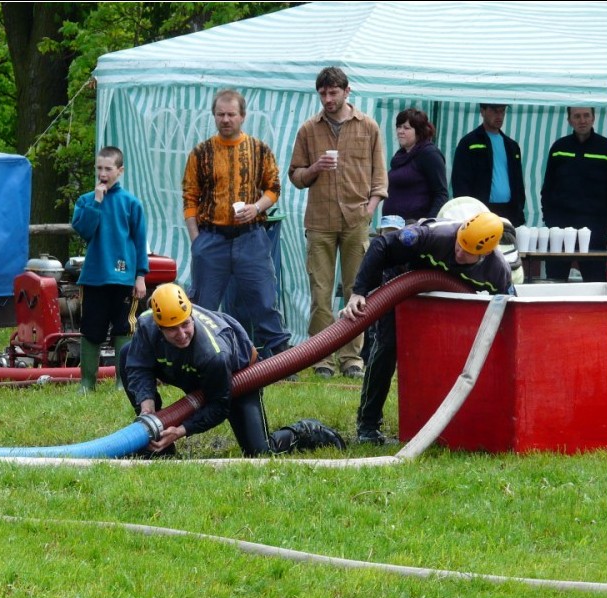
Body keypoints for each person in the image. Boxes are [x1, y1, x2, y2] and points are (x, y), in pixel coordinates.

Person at [342, 212, 513, 445]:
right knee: (387, 346)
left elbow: (510, 307)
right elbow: (381, 245)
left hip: (448, 299)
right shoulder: (433, 235)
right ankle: (368, 424)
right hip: (401, 279)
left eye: (467, 253)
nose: (459, 253)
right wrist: (359, 292)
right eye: (459, 245)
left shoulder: (498, 271)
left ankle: (447, 422)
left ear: (485, 254)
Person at [288, 66, 388, 379]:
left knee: (356, 293)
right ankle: (322, 360)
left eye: (333, 93)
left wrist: (369, 209)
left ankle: (352, 360)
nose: (328, 99)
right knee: (320, 293)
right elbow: (295, 176)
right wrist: (315, 166)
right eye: (322, 93)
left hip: (356, 221)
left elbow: (379, 177)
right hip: (319, 221)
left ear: (347, 91)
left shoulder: (368, 126)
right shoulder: (308, 129)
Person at [181, 89, 292, 360]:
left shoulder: (259, 149)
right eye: (221, 114)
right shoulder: (201, 153)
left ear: (242, 116)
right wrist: (197, 240)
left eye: (231, 114)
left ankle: (281, 360)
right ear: (214, 116)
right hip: (211, 238)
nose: (226, 119)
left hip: (250, 237)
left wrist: (256, 208)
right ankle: (199, 358)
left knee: (264, 300)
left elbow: (274, 188)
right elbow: (189, 197)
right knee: (203, 305)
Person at [119, 283, 271, 457]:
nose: (182, 334)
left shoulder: (214, 353)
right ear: (159, 327)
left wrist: (181, 430)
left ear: (191, 316)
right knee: (127, 354)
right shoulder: (146, 325)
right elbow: (137, 366)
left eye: (185, 324)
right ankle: (157, 441)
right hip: (192, 372)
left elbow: (219, 407)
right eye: (173, 329)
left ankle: (305, 430)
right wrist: (146, 403)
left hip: (237, 379)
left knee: (259, 452)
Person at [70, 146, 149, 393]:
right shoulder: (85, 201)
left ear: (120, 170)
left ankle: (121, 381)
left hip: (124, 278)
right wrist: (96, 202)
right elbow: (84, 231)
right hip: (94, 277)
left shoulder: (131, 204)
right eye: (99, 168)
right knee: (91, 328)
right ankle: (87, 382)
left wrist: (140, 276)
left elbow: (139, 241)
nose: (102, 173)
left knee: (124, 327)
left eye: (108, 168)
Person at [540, 106, 607, 283]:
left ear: (594, 118)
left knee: (595, 283)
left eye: (586, 115)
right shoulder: (559, 147)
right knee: (555, 281)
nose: (582, 120)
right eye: (577, 116)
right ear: (569, 120)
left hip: (595, 230)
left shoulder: (606, 148)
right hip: (560, 228)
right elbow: (547, 187)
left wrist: (606, 223)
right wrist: (550, 220)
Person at [451, 104, 526, 226]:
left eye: (502, 111)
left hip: (509, 212)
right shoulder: (469, 143)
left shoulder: (512, 146)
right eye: (495, 111)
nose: (499, 115)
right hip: (480, 212)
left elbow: (519, 184)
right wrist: (466, 212)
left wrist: (519, 211)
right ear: (482, 111)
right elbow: (460, 182)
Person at [382, 108, 448, 223]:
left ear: (419, 131)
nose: (400, 131)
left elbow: (441, 194)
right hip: (393, 225)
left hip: (415, 229)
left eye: (406, 128)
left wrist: (427, 223)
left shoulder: (429, 154)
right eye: (399, 126)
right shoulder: (401, 154)